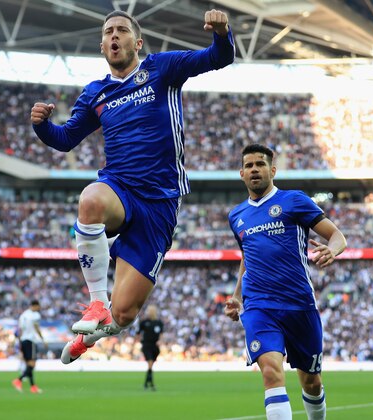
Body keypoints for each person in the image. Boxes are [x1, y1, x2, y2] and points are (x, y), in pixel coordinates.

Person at [31, 9, 235, 364]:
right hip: (120, 187)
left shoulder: (162, 68)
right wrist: (42, 126)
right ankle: (96, 303)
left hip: (159, 204)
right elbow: (64, 140)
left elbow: (219, 57)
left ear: (136, 42)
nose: (114, 36)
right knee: (90, 200)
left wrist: (222, 33)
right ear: (102, 46)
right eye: (108, 31)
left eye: (122, 30)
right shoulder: (96, 93)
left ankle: (91, 336)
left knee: (124, 314)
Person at [224, 144, 347, 420]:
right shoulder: (236, 216)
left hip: (298, 304)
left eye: (261, 164)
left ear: (272, 170)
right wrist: (237, 297)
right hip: (259, 306)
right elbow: (248, 255)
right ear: (241, 173)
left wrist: (333, 250)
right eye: (250, 165)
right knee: (270, 372)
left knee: (312, 383)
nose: (255, 169)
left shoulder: (294, 201)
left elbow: (337, 235)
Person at [12, 299, 47, 394]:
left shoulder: (23, 315)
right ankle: (18, 380)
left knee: (29, 364)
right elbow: (36, 328)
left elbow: (19, 330)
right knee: (32, 364)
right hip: (31, 340)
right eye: (38, 306)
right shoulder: (35, 315)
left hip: (23, 341)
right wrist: (43, 339)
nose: (39, 308)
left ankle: (33, 387)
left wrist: (19, 343)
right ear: (35, 306)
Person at [137, 304, 163, 390]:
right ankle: (150, 384)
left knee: (151, 364)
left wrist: (160, 341)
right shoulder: (144, 322)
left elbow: (161, 334)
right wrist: (140, 340)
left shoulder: (159, 323)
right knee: (150, 362)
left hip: (155, 346)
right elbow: (138, 333)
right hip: (147, 345)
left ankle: (146, 383)